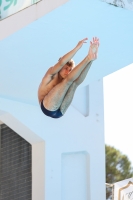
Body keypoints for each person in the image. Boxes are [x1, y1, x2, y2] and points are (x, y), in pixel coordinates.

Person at [38, 37, 99, 118]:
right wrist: (77, 47)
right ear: (60, 68)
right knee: (67, 81)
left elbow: (78, 81)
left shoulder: (66, 80)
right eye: (66, 68)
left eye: (70, 70)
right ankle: (88, 58)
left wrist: (91, 59)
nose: (68, 72)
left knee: (74, 83)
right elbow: (61, 62)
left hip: (60, 112)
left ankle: (90, 59)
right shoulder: (51, 74)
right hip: (47, 107)